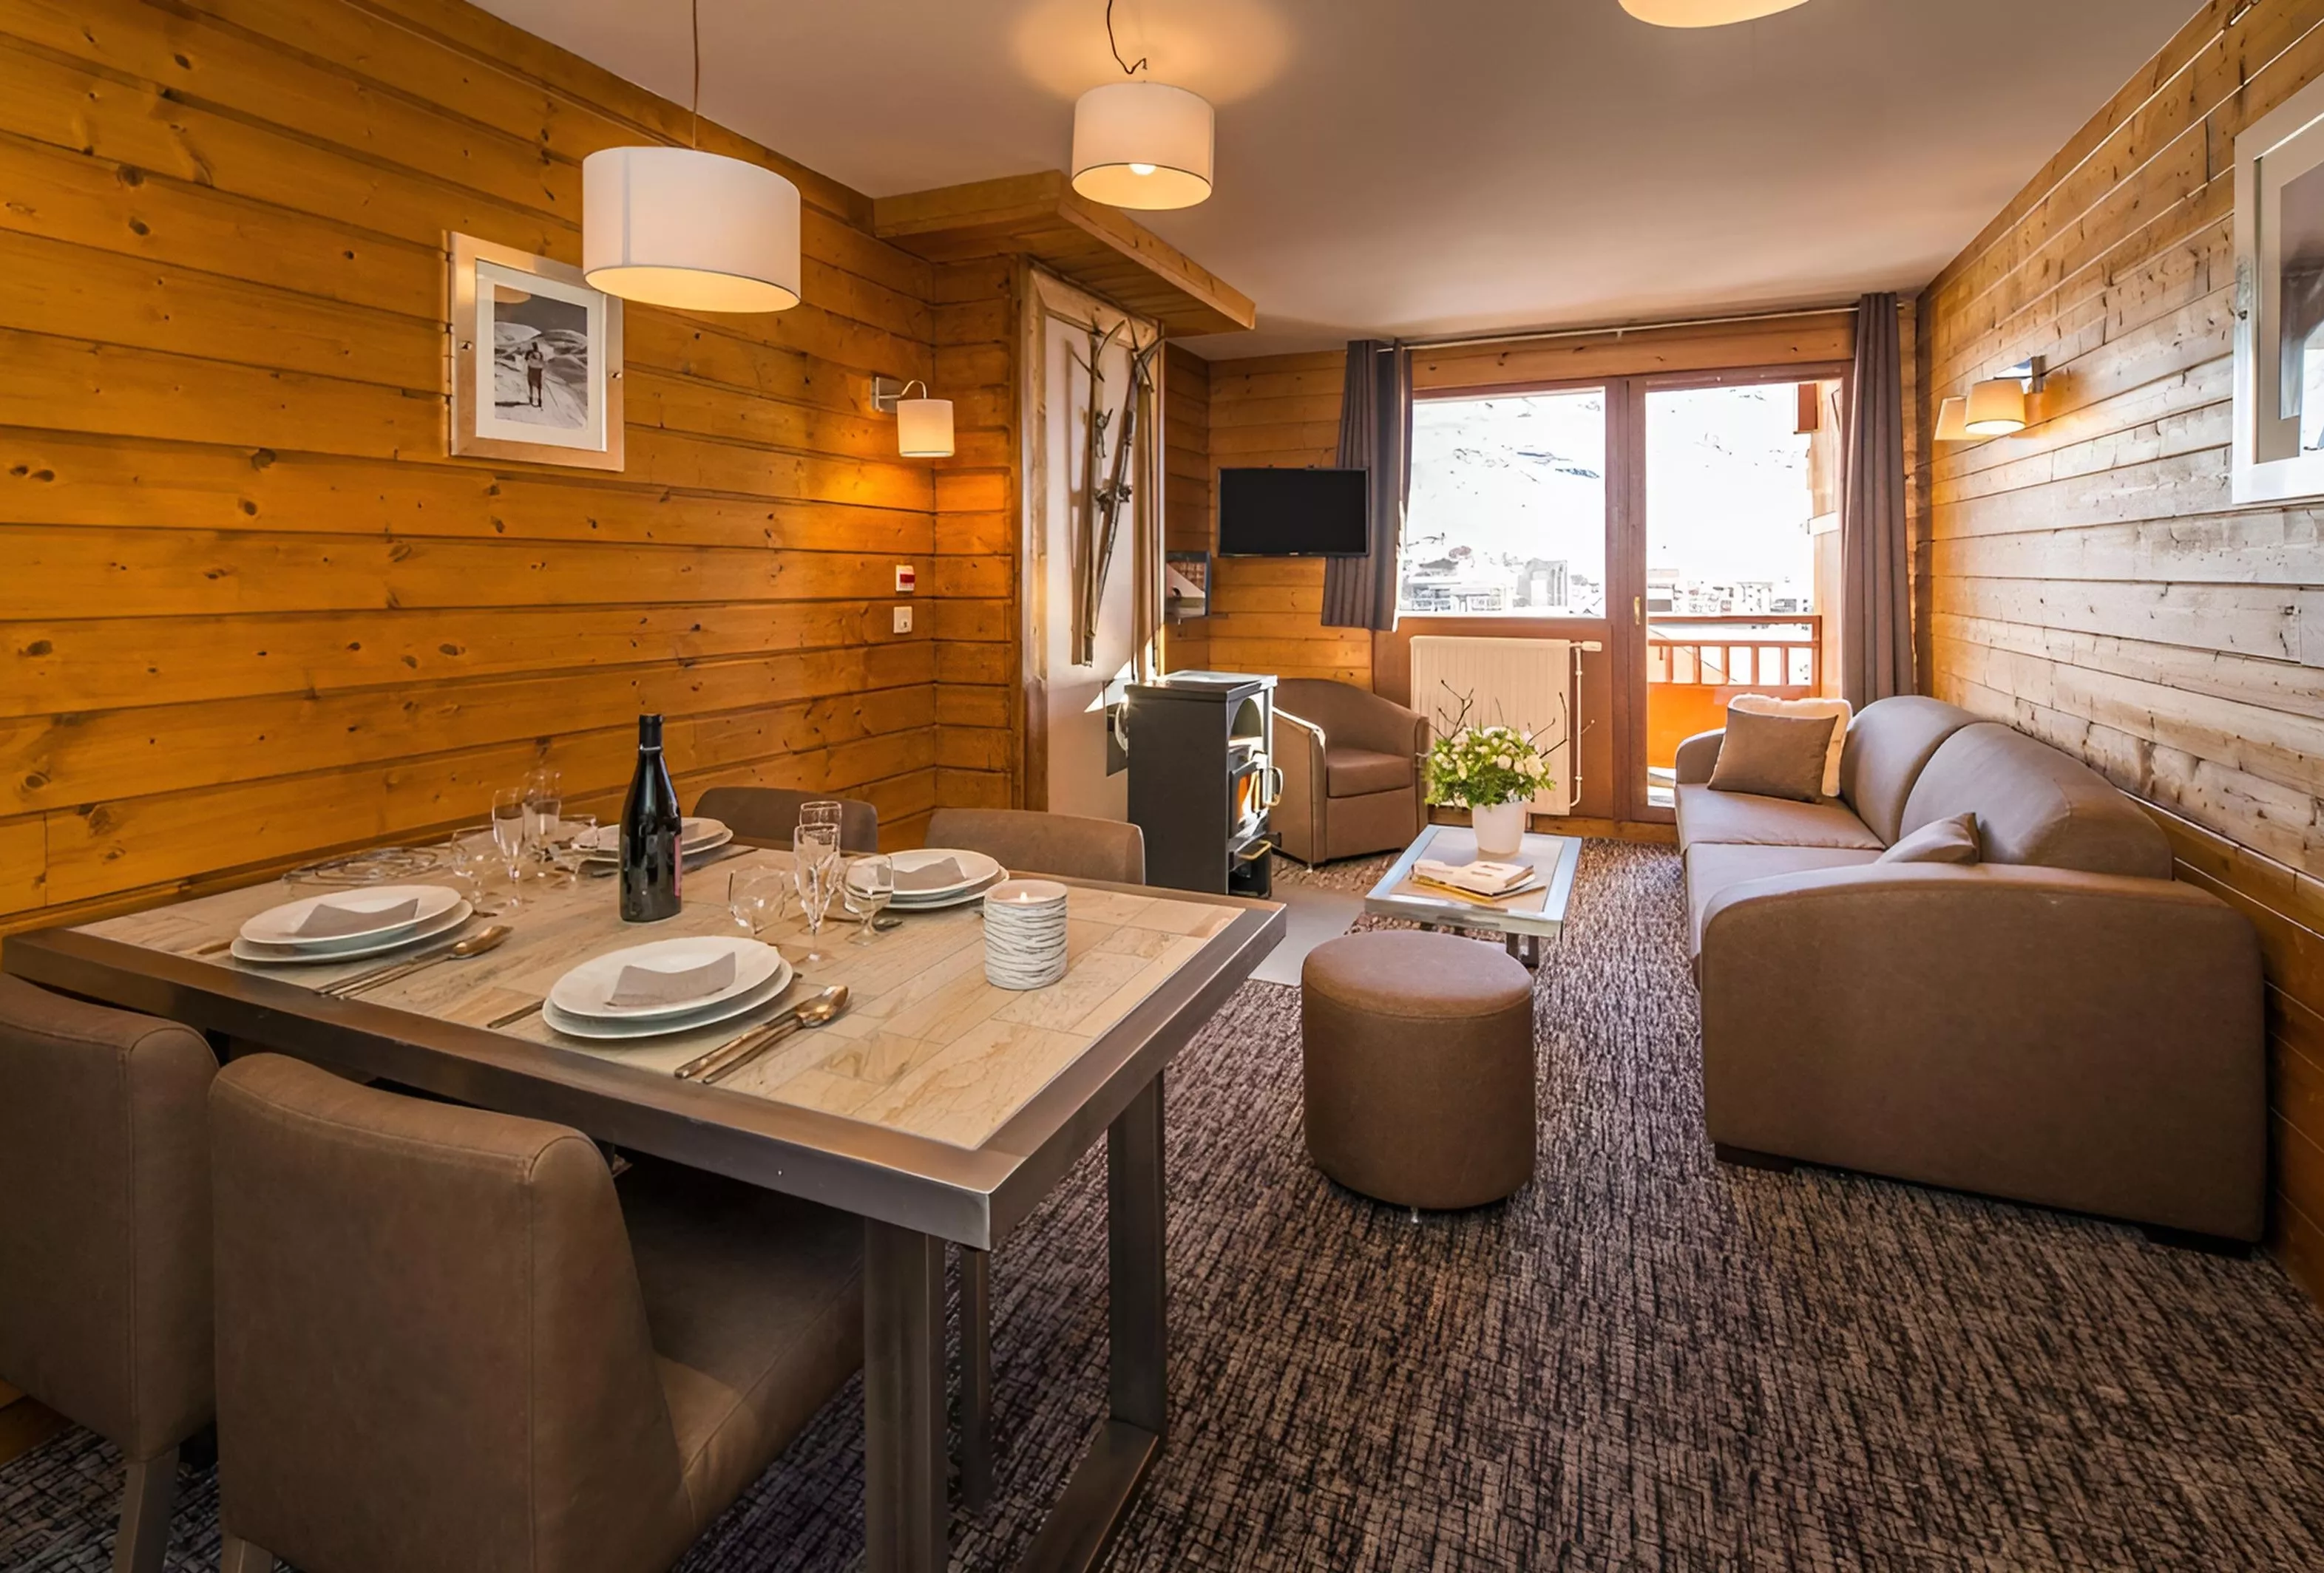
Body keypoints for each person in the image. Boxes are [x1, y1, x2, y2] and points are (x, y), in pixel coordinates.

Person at [523, 340, 546, 407]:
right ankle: (539, 400)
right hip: (538, 370)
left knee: (531, 384)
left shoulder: (530, 353)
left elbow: (526, 359)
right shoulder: (540, 354)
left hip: (532, 369)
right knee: (539, 385)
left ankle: (531, 398)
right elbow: (542, 361)